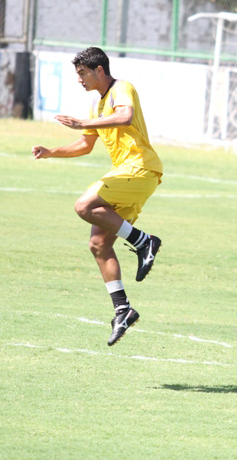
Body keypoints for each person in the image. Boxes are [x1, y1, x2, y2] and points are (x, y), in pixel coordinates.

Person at [32, 47, 163, 346]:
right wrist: (52, 152)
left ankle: (145, 242)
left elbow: (126, 116)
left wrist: (83, 123)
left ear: (99, 70)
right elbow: (85, 144)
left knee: (84, 205)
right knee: (99, 244)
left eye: (82, 73)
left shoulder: (122, 88)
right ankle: (123, 309)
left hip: (140, 167)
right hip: (125, 173)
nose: (79, 80)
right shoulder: (95, 103)